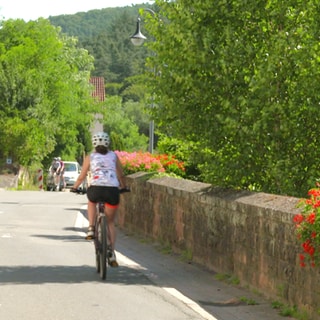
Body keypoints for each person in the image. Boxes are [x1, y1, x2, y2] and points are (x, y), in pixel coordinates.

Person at [71, 132, 127, 267]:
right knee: (110, 223)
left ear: (94, 144)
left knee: (91, 201)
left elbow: (82, 175)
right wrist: (124, 187)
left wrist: (75, 187)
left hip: (96, 189)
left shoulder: (91, 157)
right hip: (112, 190)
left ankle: (91, 227)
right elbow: (121, 175)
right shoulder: (113, 156)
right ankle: (112, 252)